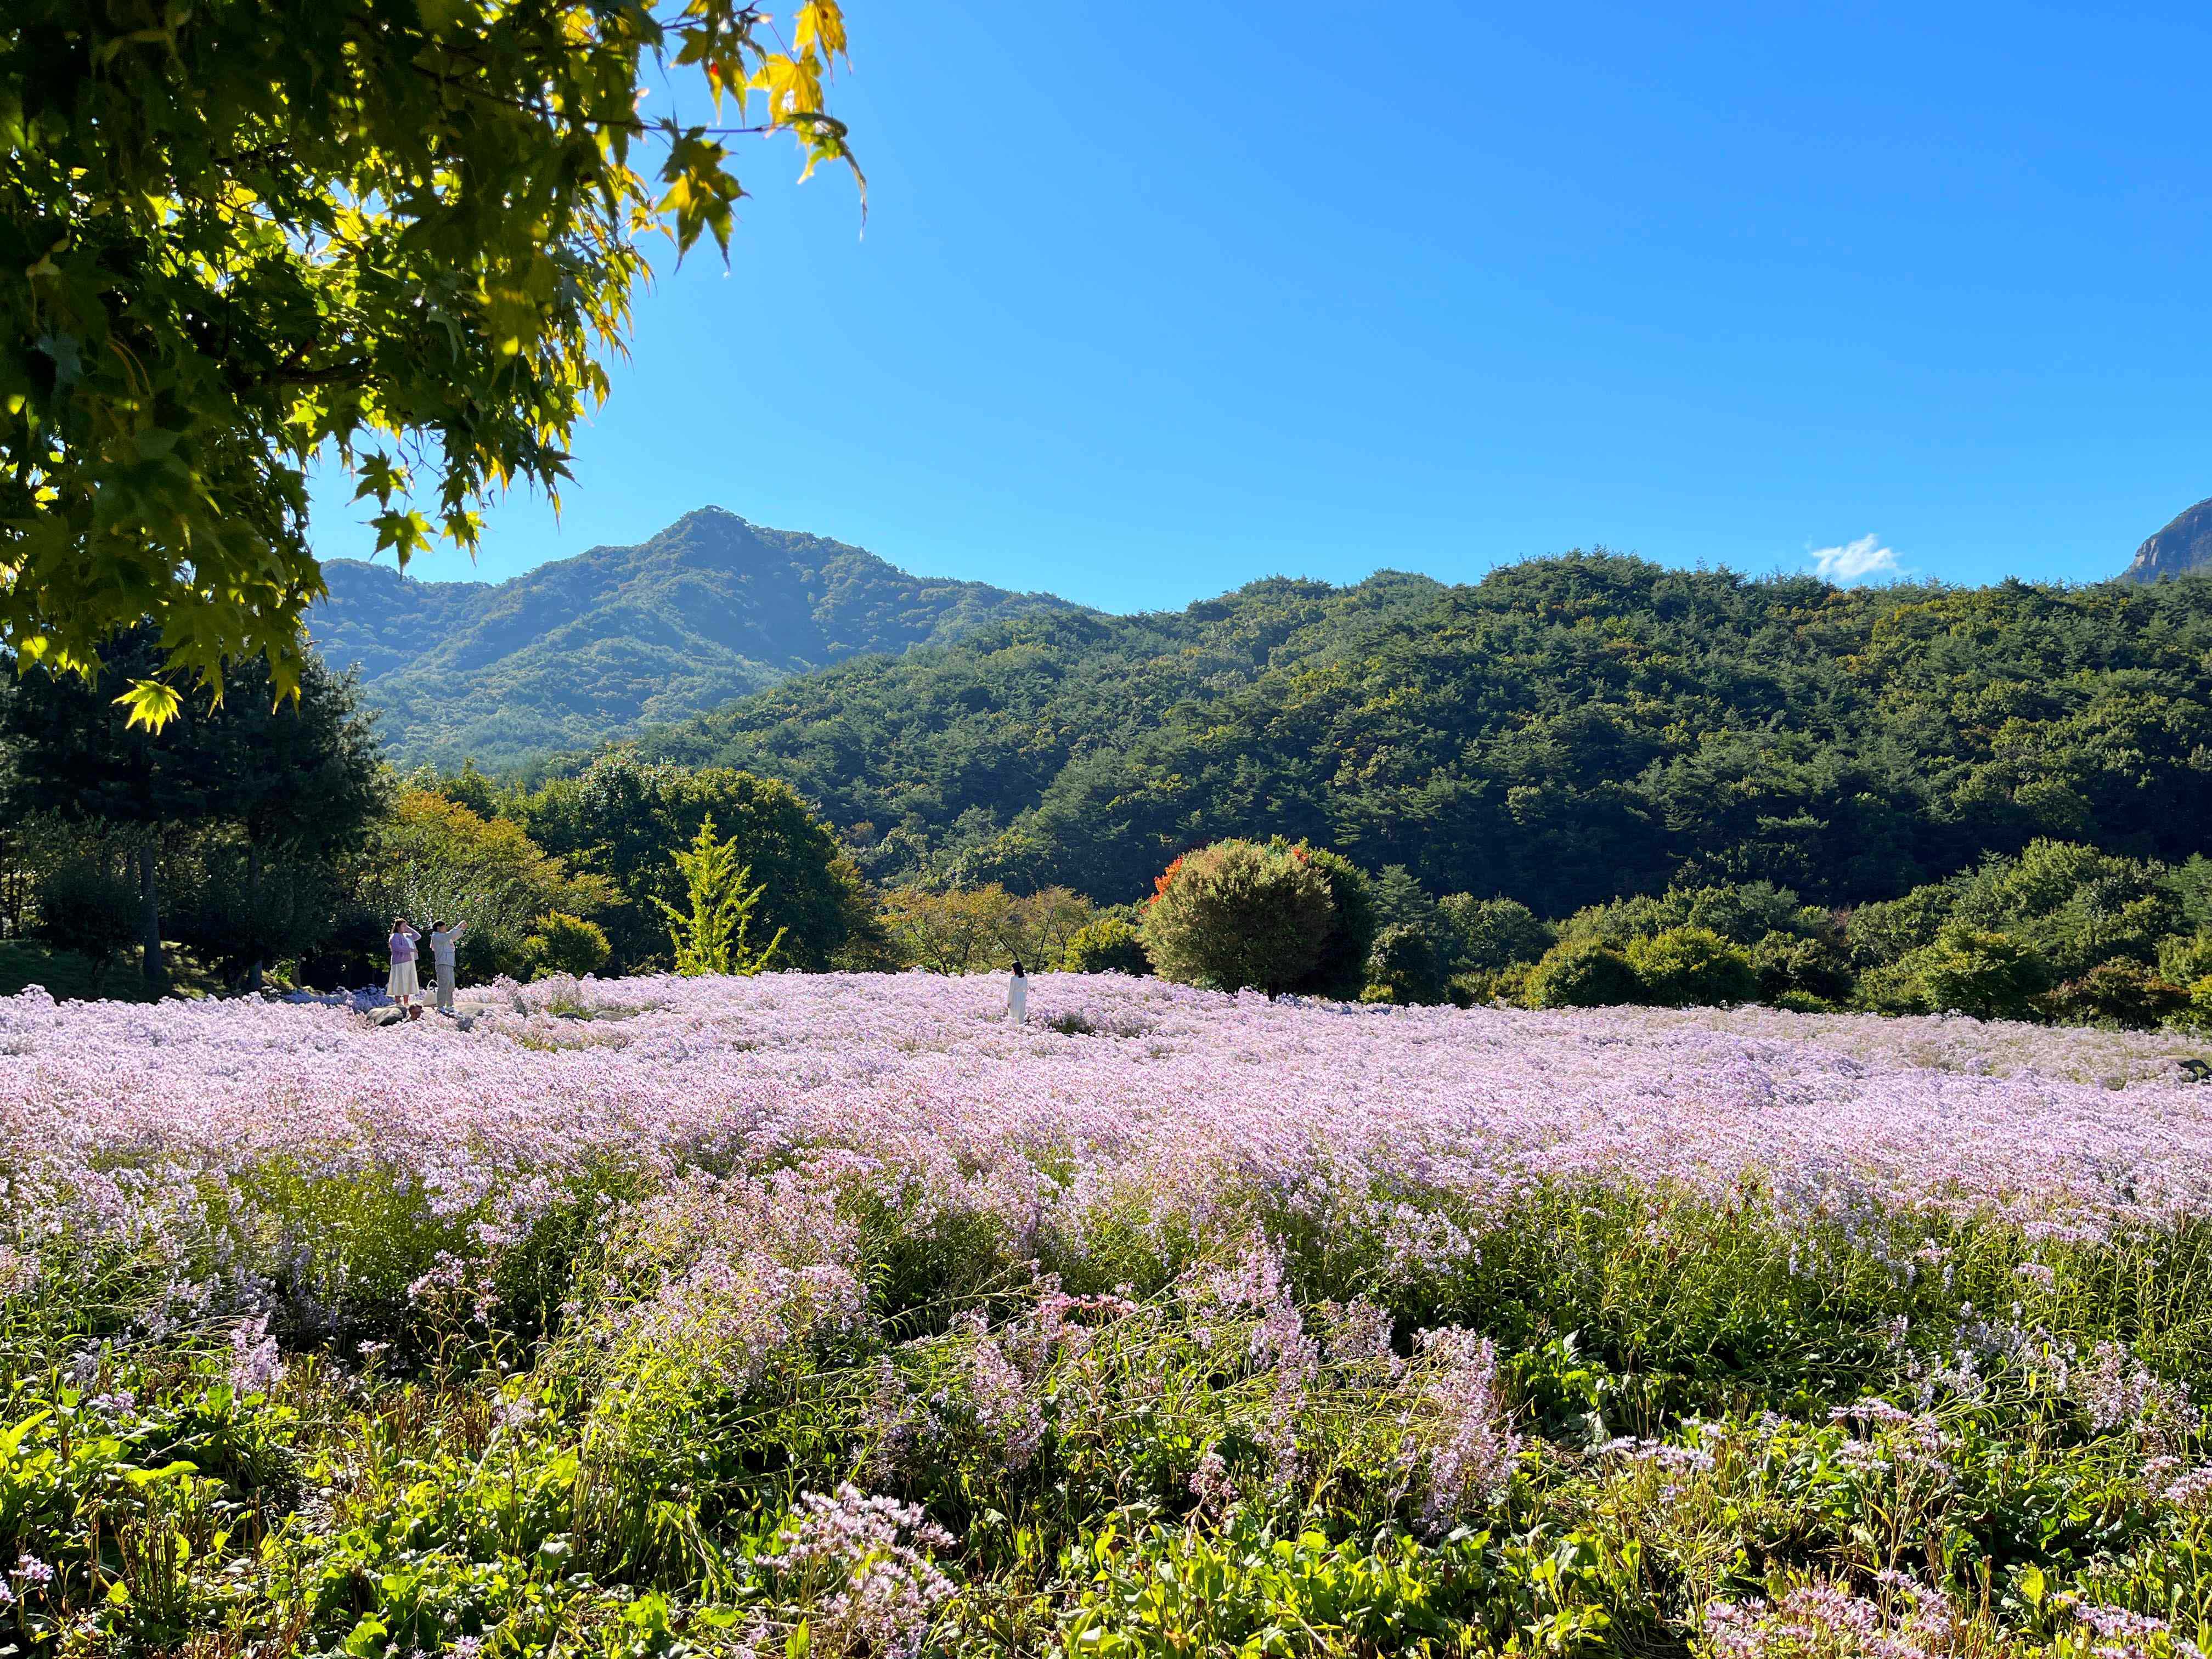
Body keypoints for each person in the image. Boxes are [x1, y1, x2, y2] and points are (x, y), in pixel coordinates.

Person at [427, 916, 467, 1015]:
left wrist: (462, 929)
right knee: (444, 985)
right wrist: (459, 925)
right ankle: (440, 1007)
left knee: (450, 986)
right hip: (442, 964)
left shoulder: (445, 937)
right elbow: (450, 935)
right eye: (444, 927)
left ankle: (449, 1006)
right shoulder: (436, 936)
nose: (446, 928)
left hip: (449, 964)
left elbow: (454, 937)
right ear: (439, 928)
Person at [387, 917, 422, 1014]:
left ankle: (406, 1002)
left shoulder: (407, 935)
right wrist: (411, 950)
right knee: (399, 981)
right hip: (399, 962)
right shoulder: (395, 936)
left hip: (409, 961)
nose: (405, 928)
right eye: (403, 926)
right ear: (398, 927)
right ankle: (398, 1002)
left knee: (408, 981)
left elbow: (418, 936)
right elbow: (397, 948)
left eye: (406, 926)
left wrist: (408, 928)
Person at [1007, 956, 1028, 1024]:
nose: (1012, 969)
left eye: (1012, 968)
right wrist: (1024, 998)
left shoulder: (1013, 978)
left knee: (1013, 1014)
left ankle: (1013, 1029)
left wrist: (1009, 1001)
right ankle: (1021, 1028)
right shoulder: (1025, 978)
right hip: (1022, 997)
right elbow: (1026, 990)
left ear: (1015, 969)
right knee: (1021, 1015)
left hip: (1015, 997)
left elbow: (1011, 991)